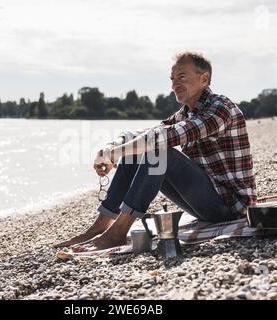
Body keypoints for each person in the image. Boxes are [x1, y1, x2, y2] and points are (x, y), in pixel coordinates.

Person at [54, 51, 257, 252]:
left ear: (204, 79)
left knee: (160, 151)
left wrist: (115, 154)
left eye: (182, 77)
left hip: (230, 206)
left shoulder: (221, 108)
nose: (174, 84)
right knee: (139, 150)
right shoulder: (186, 113)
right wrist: (110, 147)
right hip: (204, 203)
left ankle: (118, 232)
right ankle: (100, 226)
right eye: (172, 79)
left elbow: (162, 138)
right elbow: (145, 133)